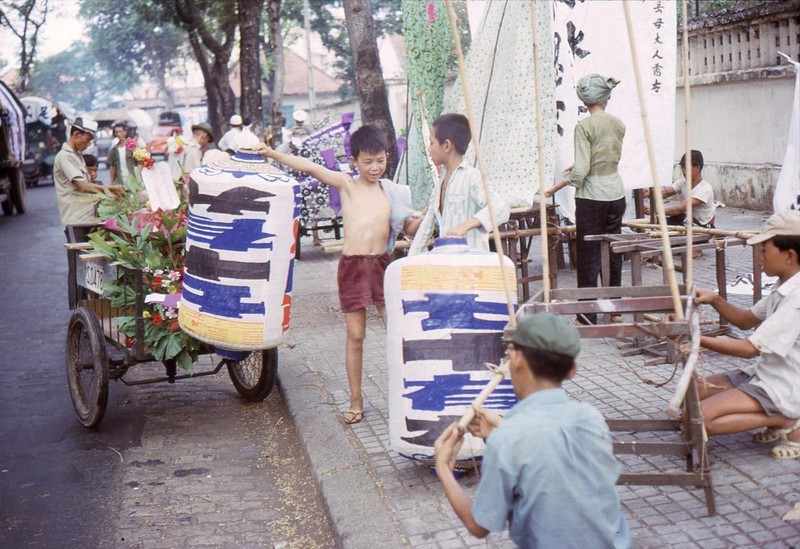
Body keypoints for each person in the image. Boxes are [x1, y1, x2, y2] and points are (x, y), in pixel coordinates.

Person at [253, 125, 416, 425]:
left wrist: (427, 217)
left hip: (382, 265)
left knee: (398, 332)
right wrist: (272, 153)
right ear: (354, 161)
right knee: (355, 336)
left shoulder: (392, 191)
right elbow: (310, 167)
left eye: (380, 160)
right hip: (353, 268)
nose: (375, 167)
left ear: (387, 157)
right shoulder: (347, 185)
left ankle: (406, 394)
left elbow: (408, 226)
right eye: (367, 162)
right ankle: (356, 399)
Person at [434, 313, 631, 548]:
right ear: (572, 370)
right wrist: (501, 433)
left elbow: (478, 526)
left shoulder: (509, 440)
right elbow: (549, 452)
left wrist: (443, 467)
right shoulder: (591, 417)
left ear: (516, 360)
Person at [694, 210, 800, 460]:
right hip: (768, 371)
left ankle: (785, 418)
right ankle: (775, 416)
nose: (760, 256)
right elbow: (745, 320)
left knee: (699, 419)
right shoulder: (783, 287)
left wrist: (696, 339)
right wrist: (715, 299)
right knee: (693, 393)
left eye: (764, 250)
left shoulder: (796, 300)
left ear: (789, 256)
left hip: (786, 383)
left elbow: (748, 349)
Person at [545, 74, 626, 325]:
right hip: (616, 193)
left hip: (592, 198)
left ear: (584, 101)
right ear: (606, 98)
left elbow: (581, 172)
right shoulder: (618, 124)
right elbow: (601, 159)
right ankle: (614, 311)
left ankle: (587, 314)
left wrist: (556, 187)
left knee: (589, 253)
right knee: (613, 251)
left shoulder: (584, 127)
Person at [406, 113, 510, 252]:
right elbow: (426, 227)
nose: (429, 149)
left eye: (432, 143)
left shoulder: (472, 177)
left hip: (471, 264)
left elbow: (501, 207)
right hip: (449, 263)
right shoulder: (440, 182)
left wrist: (465, 226)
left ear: (447, 146)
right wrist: (411, 259)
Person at [53, 117, 124, 234]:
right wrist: (111, 189)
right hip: (76, 221)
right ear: (76, 134)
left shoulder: (78, 156)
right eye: (87, 139)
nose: (88, 144)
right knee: (79, 251)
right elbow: (83, 186)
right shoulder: (65, 156)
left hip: (87, 218)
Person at [645, 150, 715, 228]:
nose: (684, 171)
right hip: (686, 221)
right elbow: (665, 192)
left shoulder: (705, 188)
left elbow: (680, 208)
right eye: (682, 167)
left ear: (697, 167)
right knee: (657, 221)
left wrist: (655, 211)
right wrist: (649, 193)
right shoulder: (683, 182)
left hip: (701, 226)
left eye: (686, 167)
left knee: (677, 217)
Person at [107, 120, 137, 186]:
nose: (118, 134)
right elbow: (112, 167)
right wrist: (112, 181)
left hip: (133, 179)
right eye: (116, 132)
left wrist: (137, 176)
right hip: (120, 181)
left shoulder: (132, 146)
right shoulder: (114, 149)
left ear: (125, 132)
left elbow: (139, 162)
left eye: (120, 132)